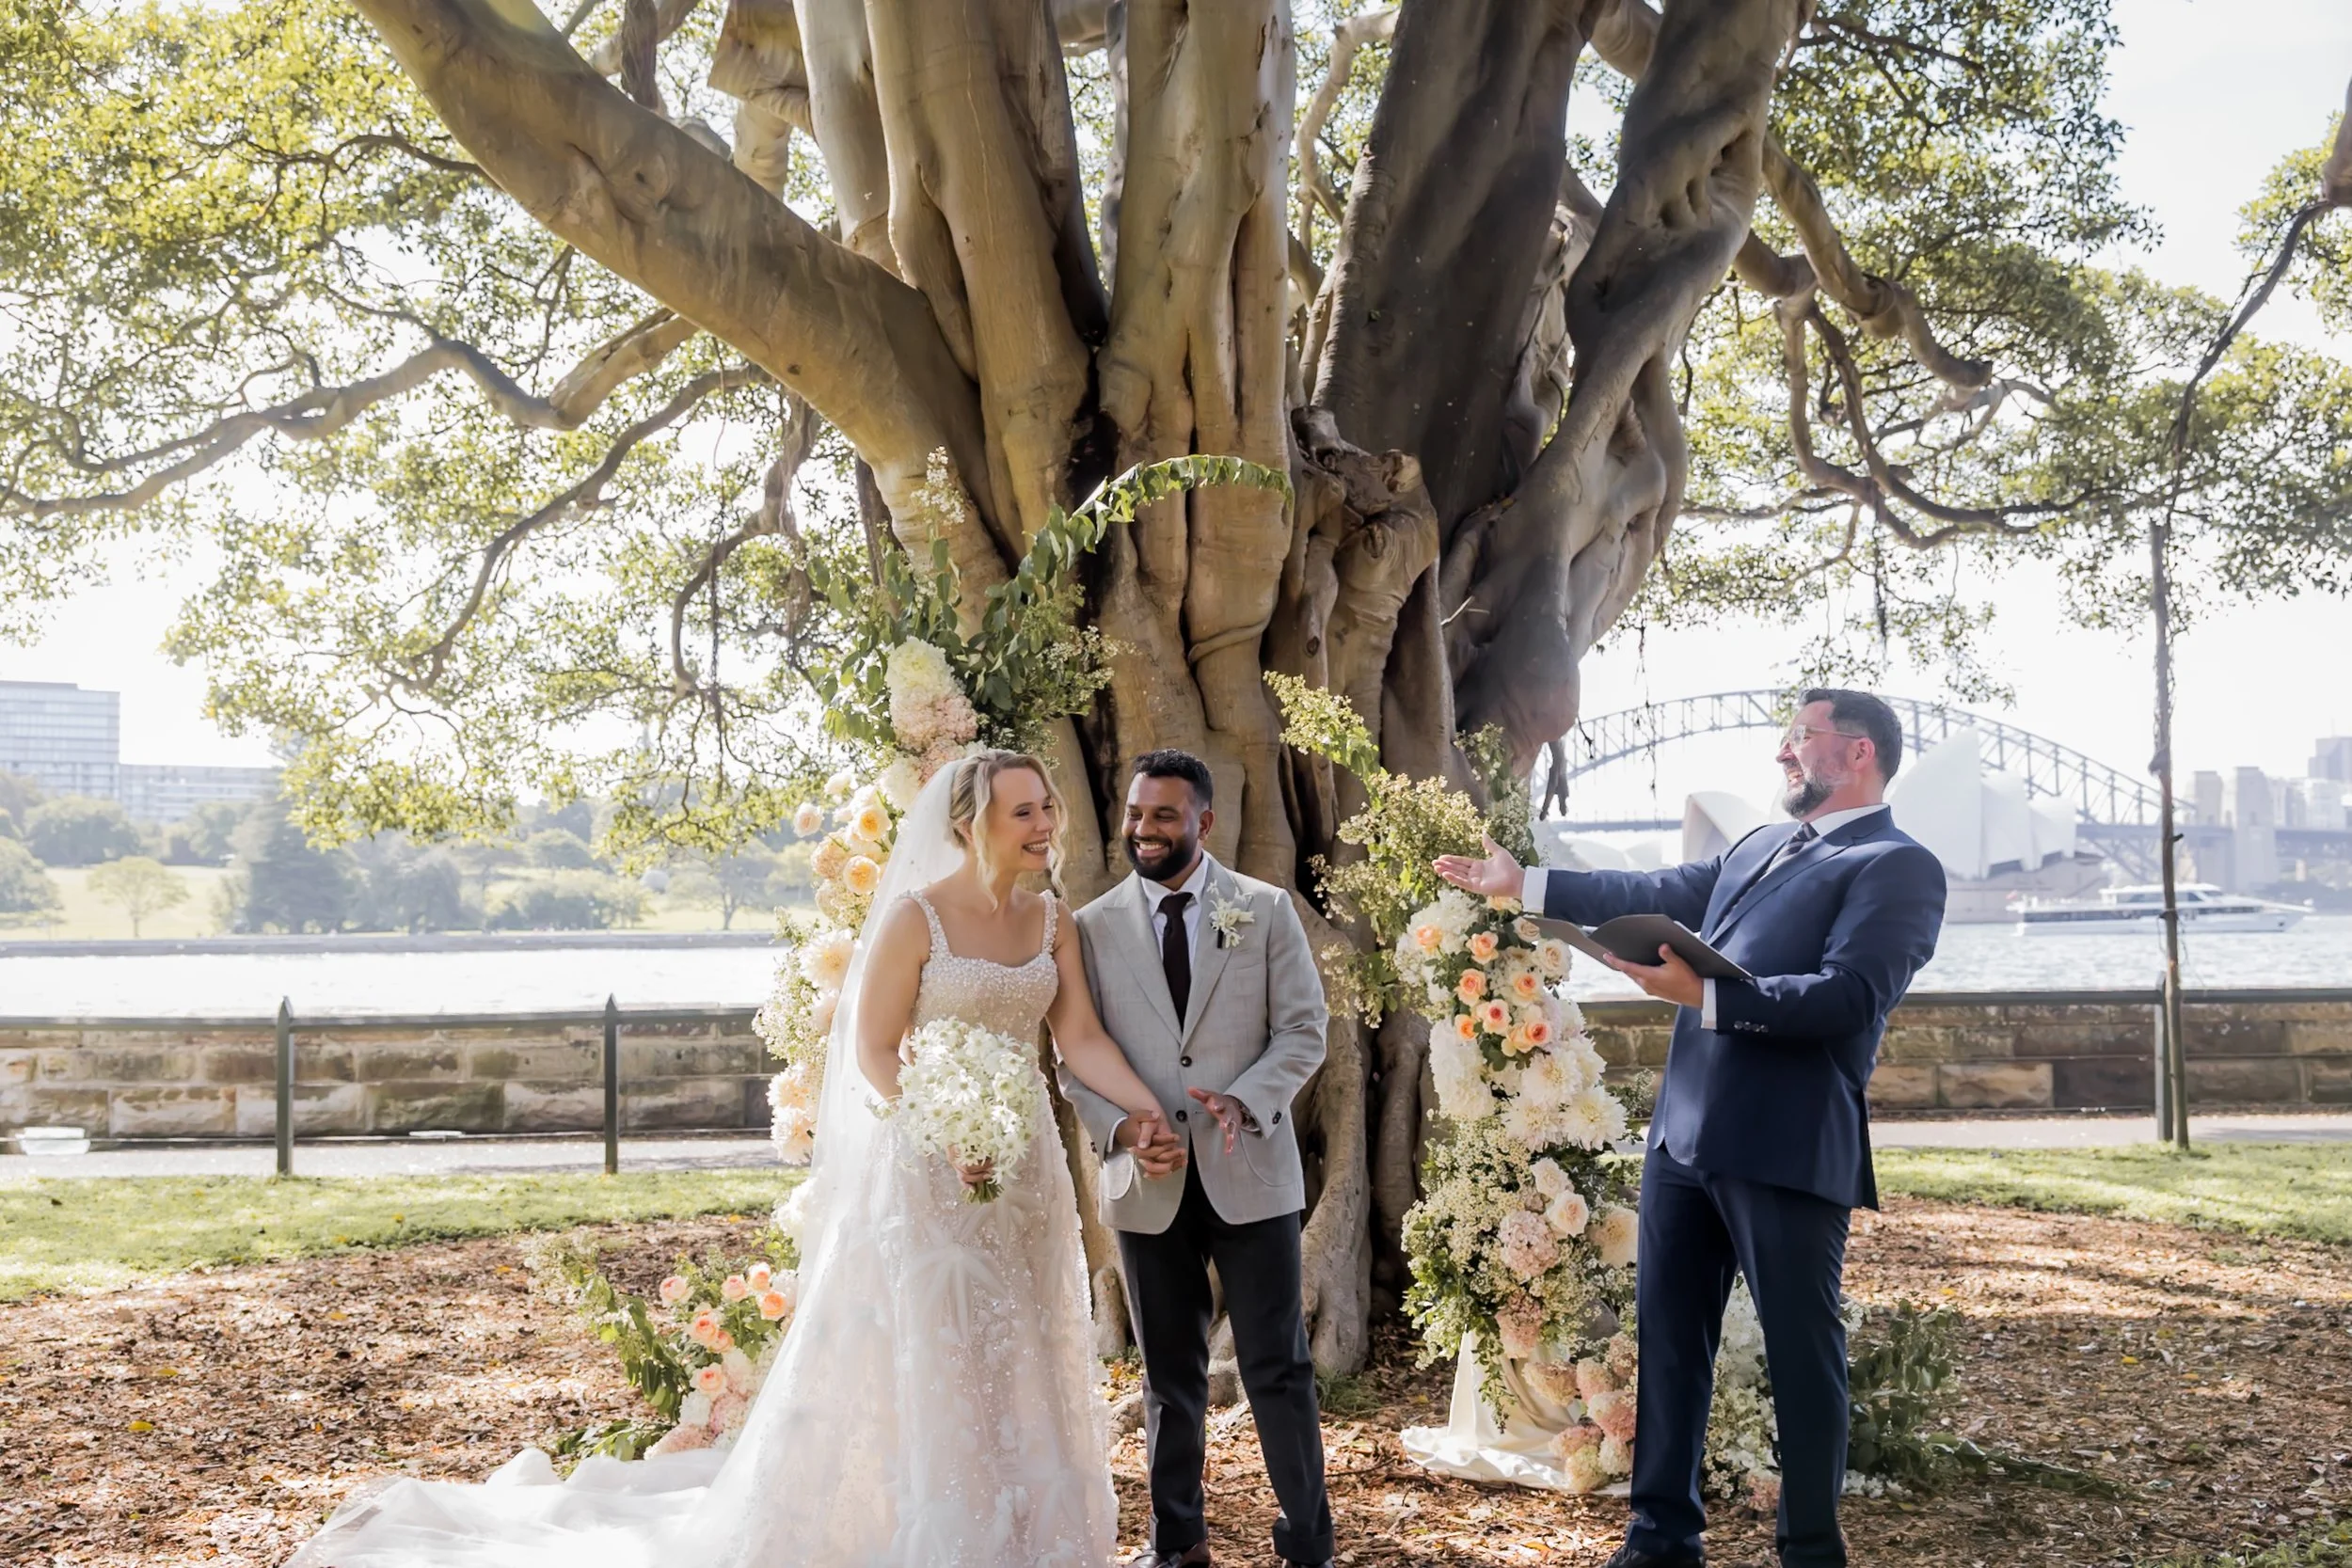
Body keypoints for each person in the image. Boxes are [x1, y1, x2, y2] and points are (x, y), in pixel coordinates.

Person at [287, 750, 1187, 1568]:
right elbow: (873, 1050)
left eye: (1047, 809)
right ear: (969, 822)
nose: (1045, 826)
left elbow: (1079, 1037)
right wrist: (942, 1125)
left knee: (1023, 1340)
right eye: (1023, 811)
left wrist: (1153, 1108)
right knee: (939, 1348)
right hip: (930, 1167)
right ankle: (942, 1525)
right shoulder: (919, 918)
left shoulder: (1052, 921)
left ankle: (1028, 1529)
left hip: (1025, 1167)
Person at [1435, 689, 1947, 1568]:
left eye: (1801, 738)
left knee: (1801, 1351)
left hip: (1785, 1145)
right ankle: (1660, 1540)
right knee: (1672, 1348)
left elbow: (1848, 995)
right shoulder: (1755, 844)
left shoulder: (1898, 865)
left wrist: (1707, 995)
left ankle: (1811, 1549)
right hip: (1680, 1140)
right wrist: (1529, 884)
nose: (1784, 754)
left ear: (1859, 753)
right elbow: (1659, 890)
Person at [1061, 750, 1336, 1568]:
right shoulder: (1089, 926)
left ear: (1204, 822)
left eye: (1164, 816)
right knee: (1166, 1376)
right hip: (1147, 1185)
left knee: (1277, 1367)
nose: (1144, 830)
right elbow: (1077, 1058)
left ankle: (1308, 1545)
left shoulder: (1264, 908)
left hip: (1251, 1172)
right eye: (1137, 814)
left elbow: (1304, 1029)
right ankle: (1177, 1543)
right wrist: (1121, 1129)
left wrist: (1247, 1098)